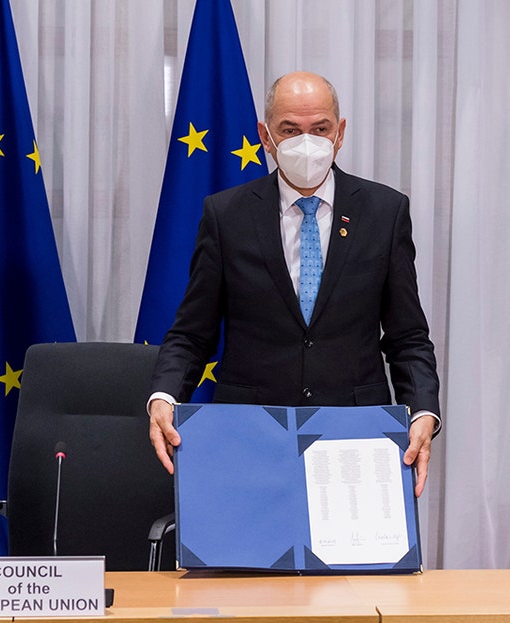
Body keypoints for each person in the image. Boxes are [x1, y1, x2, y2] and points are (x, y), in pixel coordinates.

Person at [148, 71, 441, 496]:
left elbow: (407, 336)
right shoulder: (226, 215)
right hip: (249, 434)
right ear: (266, 137)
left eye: (320, 129)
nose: (308, 141)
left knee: (351, 563)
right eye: (290, 130)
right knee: (246, 563)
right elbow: (192, 334)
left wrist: (423, 411)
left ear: (340, 133)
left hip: (355, 434)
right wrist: (164, 395)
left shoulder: (385, 211)